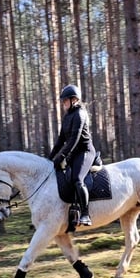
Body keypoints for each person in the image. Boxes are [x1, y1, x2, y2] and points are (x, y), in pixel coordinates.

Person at [49, 84, 96, 226]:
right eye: (63, 101)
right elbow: (60, 140)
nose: (63, 104)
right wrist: (50, 158)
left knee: (77, 179)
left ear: (74, 100)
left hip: (85, 151)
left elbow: (75, 139)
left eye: (65, 101)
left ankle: (86, 214)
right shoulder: (67, 117)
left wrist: (61, 156)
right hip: (73, 153)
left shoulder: (80, 114)